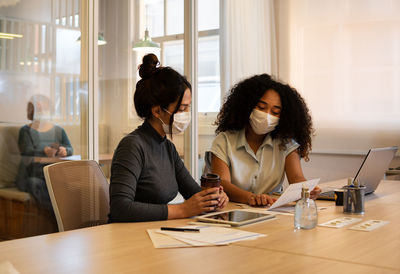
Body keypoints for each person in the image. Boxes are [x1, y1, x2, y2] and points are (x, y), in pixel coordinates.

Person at [109, 54, 228, 222]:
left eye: (189, 107)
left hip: (155, 232)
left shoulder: (167, 148)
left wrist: (215, 198)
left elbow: (194, 194)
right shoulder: (132, 146)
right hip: (129, 236)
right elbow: (120, 208)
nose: (187, 114)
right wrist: (182, 210)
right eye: (181, 108)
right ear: (157, 111)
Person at [207, 74, 321, 207]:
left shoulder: (286, 143)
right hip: (232, 210)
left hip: (270, 210)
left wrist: (307, 189)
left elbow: (296, 178)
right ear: (247, 106)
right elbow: (223, 184)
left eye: (275, 112)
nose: (267, 116)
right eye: (261, 108)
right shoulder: (224, 141)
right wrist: (251, 198)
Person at [15, 94, 73, 208]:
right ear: (31, 111)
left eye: (44, 109)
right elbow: (26, 151)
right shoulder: (25, 131)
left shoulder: (59, 130)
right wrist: (44, 151)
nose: (41, 112)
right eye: (38, 109)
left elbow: (70, 148)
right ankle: (58, 215)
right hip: (32, 176)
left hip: (53, 175)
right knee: (35, 184)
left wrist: (65, 150)